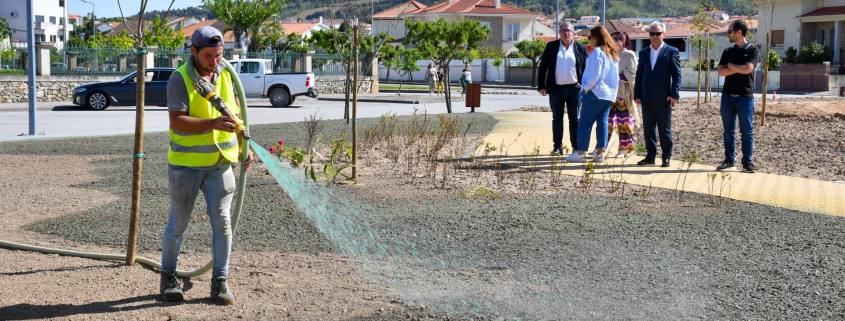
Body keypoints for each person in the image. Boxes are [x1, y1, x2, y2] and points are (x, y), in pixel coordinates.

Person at [160, 26, 254, 306]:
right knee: (178, 223)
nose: (214, 61)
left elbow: (235, 114)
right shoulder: (179, 79)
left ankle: (220, 282)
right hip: (186, 167)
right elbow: (177, 121)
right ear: (193, 52)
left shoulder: (225, 73)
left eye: (219, 54)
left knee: (223, 222)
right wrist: (212, 124)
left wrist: (243, 146)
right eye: (209, 55)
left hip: (219, 165)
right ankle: (168, 277)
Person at [566, 25, 619, 163]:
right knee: (602, 122)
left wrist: (585, 89)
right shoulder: (612, 53)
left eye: (590, 37)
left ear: (597, 37)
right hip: (608, 94)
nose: (589, 40)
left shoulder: (597, 52)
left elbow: (594, 75)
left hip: (595, 92)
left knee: (585, 122)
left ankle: (581, 152)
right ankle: (600, 153)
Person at [634, 21, 681, 168]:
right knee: (648, 129)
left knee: (664, 129)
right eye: (651, 33)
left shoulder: (671, 51)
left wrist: (674, 94)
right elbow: (639, 75)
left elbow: (677, 75)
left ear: (664, 34)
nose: (654, 36)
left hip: (663, 97)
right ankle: (650, 157)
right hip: (646, 97)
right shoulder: (643, 53)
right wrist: (637, 94)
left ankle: (666, 157)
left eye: (657, 33)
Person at [537, 22, 588, 155]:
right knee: (557, 118)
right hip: (555, 89)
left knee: (574, 119)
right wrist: (541, 86)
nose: (566, 33)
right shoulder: (551, 47)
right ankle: (557, 147)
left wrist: (585, 87)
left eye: (569, 30)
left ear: (573, 33)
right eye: (563, 30)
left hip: (575, 89)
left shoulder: (580, 48)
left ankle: (576, 147)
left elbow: (587, 69)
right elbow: (543, 67)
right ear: (559, 32)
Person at [716, 20, 759, 173]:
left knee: (746, 131)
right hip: (727, 97)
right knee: (728, 131)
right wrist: (737, 68)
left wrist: (731, 66)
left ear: (738, 32)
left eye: (730, 32)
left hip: (745, 98)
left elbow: (748, 69)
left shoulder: (753, 50)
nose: (728, 34)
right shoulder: (728, 51)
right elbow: (720, 71)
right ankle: (729, 160)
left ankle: (747, 162)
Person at [609, 31, 639, 158]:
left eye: (618, 39)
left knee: (623, 122)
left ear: (624, 40)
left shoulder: (629, 55)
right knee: (607, 122)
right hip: (609, 94)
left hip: (623, 94)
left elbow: (633, 74)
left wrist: (617, 75)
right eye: (613, 38)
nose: (615, 41)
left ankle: (624, 149)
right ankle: (600, 148)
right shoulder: (609, 54)